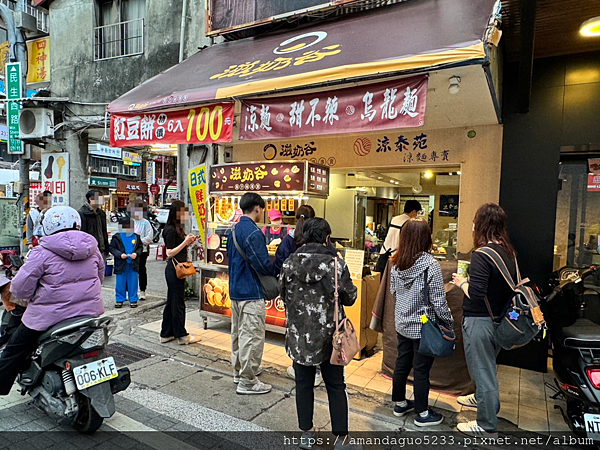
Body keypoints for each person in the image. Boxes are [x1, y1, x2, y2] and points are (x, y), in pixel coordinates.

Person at [0, 206, 105, 395]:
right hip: (89, 313)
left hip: (48, 317)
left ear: (47, 225)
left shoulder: (42, 252)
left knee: (14, 349)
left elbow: (20, 289)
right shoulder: (93, 248)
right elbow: (100, 277)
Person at [280, 218, 360, 450]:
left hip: (298, 336)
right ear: (326, 238)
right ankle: (342, 440)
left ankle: (307, 434)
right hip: (331, 338)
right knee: (335, 385)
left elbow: (282, 294)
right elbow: (350, 297)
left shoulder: (289, 262)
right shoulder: (336, 264)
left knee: (303, 384)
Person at [451, 203, 517, 439]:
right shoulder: (508, 252)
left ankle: (487, 424)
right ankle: (480, 398)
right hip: (499, 320)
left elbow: (476, 293)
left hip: (480, 321)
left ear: (481, 225)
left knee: (483, 370)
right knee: (487, 366)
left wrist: (461, 282)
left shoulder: (481, 254)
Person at [390, 218, 453, 427]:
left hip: (402, 323)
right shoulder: (430, 265)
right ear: (426, 238)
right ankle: (423, 413)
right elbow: (438, 301)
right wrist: (448, 321)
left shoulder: (395, 262)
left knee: (402, 363)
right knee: (421, 370)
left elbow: (393, 292)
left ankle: (399, 403)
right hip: (423, 327)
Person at [227, 192, 274, 395]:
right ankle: (248, 381)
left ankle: (239, 371)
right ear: (257, 208)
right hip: (251, 291)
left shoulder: (234, 229)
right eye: (261, 209)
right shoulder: (254, 233)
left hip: (236, 289)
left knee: (238, 334)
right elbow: (263, 264)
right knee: (252, 335)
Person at [273, 205, 323, 387]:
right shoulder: (319, 242)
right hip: (316, 297)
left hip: (294, 296)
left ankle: (297, 367)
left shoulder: (288, 240)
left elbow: (279, 264)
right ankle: (316, 370)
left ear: (295, 219)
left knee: (295, 330)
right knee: (316, 330)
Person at [160, 200, 200, 345]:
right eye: (184, 212)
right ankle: (181, 335)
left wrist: (189, 242)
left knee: (172, 302)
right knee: (178, 303)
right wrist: (184, 242)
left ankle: (166, 334)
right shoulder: (170, 229)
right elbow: (169, 252)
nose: (186, 215)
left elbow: (179, 250)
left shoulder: (177, 228)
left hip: (178, 269)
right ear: (177, 213)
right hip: (174, 270)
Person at [110, 218, 143, 309]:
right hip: (121, 264)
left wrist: (136, 254)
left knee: (133, 282)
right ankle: (120, 299)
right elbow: (112, 248)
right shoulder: (117, 237)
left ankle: (133, 299)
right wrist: (120, 255)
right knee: (120, 282)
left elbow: (140, 248)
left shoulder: (136, 236)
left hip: (133, 264)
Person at [129, 199, 154, 300]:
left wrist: (139, 242)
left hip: (142, 251)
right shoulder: (129, 222)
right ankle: (129, 291)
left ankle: (142, 290)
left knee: (141, 270)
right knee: (130, 271)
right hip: (129, 251)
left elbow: (149, 236)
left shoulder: (145, 223)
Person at [79, 190, 109, 260]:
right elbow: (82, 234)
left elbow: (104, 231)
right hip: (90, 251)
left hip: (102, 249)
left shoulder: (101, 213)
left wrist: (107, 248)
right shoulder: (82, 213)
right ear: (90, 199)